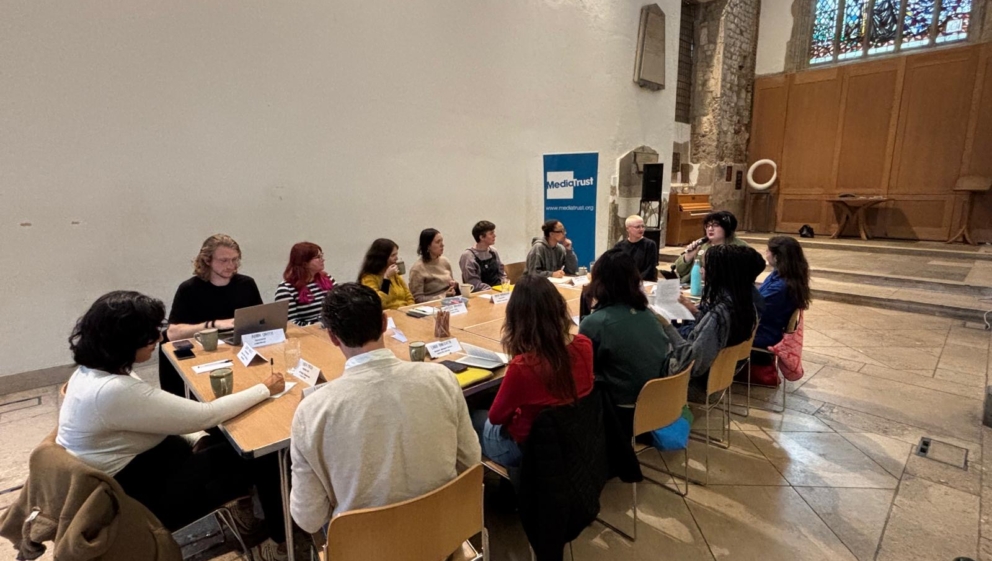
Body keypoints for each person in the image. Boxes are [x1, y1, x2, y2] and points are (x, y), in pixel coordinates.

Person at [57, 291, 289, 560]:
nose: (158, 339)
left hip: (133, 473)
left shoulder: (92, 372)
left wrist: (196, 437)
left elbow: (163, 419)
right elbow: (206, 414)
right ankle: (282, 542)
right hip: (141, 500)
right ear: (126, 339)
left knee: (223, 438)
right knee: (263, 453)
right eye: (151, 333)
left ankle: (250, 514)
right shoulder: (111, 391)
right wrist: (265, 388)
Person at [289, 283, 480, 533]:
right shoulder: (441, 378)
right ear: (384, 323)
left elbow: (309, 519)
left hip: (365, 547)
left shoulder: (311, 412)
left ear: (333, 337)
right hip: (443, 534)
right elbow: (471, 461)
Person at [472, 275, 594, 467]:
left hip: (526, 450)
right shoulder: (585, 346)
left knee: (470, 416)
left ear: (517, 317)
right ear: (559, 308)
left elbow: (496, 418)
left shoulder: (523, 367)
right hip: (575, 440)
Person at [578, 249, 672, 433]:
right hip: (661, 405)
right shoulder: (649, 314)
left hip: (621, 412)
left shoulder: (596, 323)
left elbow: (583, 372)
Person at [160, 234, 263, 397]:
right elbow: (173, 333)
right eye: (224, 260)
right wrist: (214, 324)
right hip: (204, 356)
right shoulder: (189, 289)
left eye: (235, 260)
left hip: (239, 351)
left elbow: (260, 320)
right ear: (207, 260)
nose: (231, 266)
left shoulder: (246, 284)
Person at [662, 244, 758, 402]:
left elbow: (691, 363)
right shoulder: (743, 303)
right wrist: (693, 311)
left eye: (705, 267)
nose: (701, 270)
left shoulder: (719, 315)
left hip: (693, 382)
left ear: (720, 273)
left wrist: (666, 326)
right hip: (719, 374)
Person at [750, 236, 812, 384]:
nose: (766, 253)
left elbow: (755, 307)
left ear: (777, 257)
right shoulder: (781, 276)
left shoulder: (781, 287)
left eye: (768, 251)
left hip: (763, 332)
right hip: (767, 326)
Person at [673, 210, 750, 283]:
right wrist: (688, 256)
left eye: (715, 225)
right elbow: (680, 270)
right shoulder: (701, 245)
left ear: (727, 228)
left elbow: (744, 274)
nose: (710, 229)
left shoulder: (740, 247)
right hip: (692, 285)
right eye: (708, 225)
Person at [274, 242, 336, 326]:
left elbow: (342, 304)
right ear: (304, 263)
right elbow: (290, 324)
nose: (323, 259)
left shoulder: (328, 278)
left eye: (322, 256)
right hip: (308, 334)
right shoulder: (286, 289)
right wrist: (320, 325)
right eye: (318, 257)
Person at [358, 238, 415, 309]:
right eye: (393, 255)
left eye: (396, 254)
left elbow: (408, 295)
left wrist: (410, 309)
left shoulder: (394, 272)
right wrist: (386, 279)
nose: (396, 258)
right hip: (386, 315)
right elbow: (379, 303)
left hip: (403, 312)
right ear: (382, 258)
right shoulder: (368, 278)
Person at [408, 228, 459, 302]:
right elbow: (417, 299)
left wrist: (455, 285)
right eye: (438, 242)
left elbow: (451, 284)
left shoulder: (445, 261)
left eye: (442, 241)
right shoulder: (417, 269)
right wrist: (444, 296)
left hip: (451, 301)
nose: (442, 245)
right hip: (432, 307)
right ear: (428, 246)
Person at [459, 220, 508, 291]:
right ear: (481, 237)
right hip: (482, 293)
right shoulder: (468, 256)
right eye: (491, 233)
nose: (495, 236)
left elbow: (501, 273)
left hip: (498, 291)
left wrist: (504, 284)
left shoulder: (493, 251)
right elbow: (473, 283)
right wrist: (492, 291)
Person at [613, 215, 659, 281]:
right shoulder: (619, 246)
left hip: (643, 281)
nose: (641, 229)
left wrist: (635, 281)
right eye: (637, 227)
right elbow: (616, 267)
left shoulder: (650, 245)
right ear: (627, 229)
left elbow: (650, 268)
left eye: (643, 226)